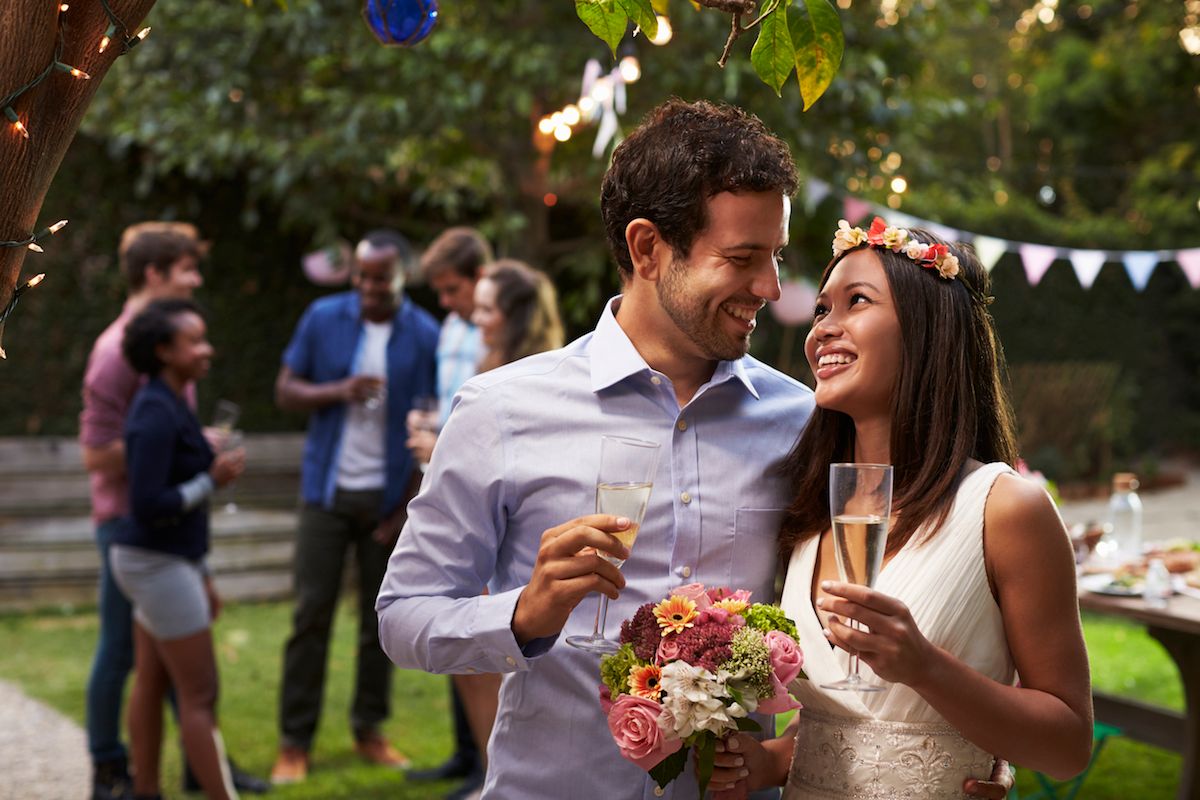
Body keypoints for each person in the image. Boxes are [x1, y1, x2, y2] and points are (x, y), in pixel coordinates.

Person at [378, 100, 1012, 800]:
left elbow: (900, 585)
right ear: (649, 248)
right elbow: (405, 614)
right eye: (743, 259)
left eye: (775, 256)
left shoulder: (803, 421)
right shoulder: (500, 409)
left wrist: (961, 760)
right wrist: (523, 616)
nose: (771, 288)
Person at [706, 219, 1094, 797]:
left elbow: (1068, 748)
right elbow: (851, 721)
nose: (823, 331)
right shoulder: (813, 510)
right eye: (820, 310)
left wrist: (925, 667)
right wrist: (771, 762)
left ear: (926, 330)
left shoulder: (1005, 509)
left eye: (855, 302)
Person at [79, 222, 267, 800]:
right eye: (187, 269)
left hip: (167, 538)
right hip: (137, 526)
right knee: (145, 665)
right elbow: (98, 451)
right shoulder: (119, 353)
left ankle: (173, 775)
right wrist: (188, 465)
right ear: (155, 274)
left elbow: (160, 436)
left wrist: (189, 442)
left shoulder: (170, 352)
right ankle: (112, 770)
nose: (196, 279)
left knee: (162, 672)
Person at [269, 230, 439, 784]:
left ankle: (369, 729)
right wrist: (338, 390)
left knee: (379, 622)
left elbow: (432, 422)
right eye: (361, 275)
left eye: (379, 277)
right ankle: (294, 742)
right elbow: (287, 390)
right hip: (325, 493)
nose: (368, 286)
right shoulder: (324, 316)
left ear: (401, 276)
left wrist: (405, 509)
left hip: (387, 501)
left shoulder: (424, 334)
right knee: (309, 615)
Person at [405, 258, 565, 799]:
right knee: (473, 661)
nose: (475, 318)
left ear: (514, 316)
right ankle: (483, 765)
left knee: (491, 666)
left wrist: (435, 447)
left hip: (505, 542)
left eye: (486, 309)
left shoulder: (529, 377)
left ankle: (489, 767)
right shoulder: (486, 361)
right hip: (472, 528)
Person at [109, 299, 246, 800]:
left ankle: (146, 792)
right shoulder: (154, 413)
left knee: (151, 681)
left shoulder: (171, 400)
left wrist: (203, 574)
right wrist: (211, 480)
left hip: (164, 560)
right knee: (201, 694)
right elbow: (147, 504)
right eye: (195, 341)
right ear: (164, 351)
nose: (207, 350)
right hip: (154, 561)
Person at [406, 226, 492, 798]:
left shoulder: (498, 330)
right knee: (449, 617)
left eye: (453, 287)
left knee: (483, 631)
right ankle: (466, 755)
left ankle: (488, 760)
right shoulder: (451, 329)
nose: (446, 300)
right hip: (441, 470)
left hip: (478, 486)